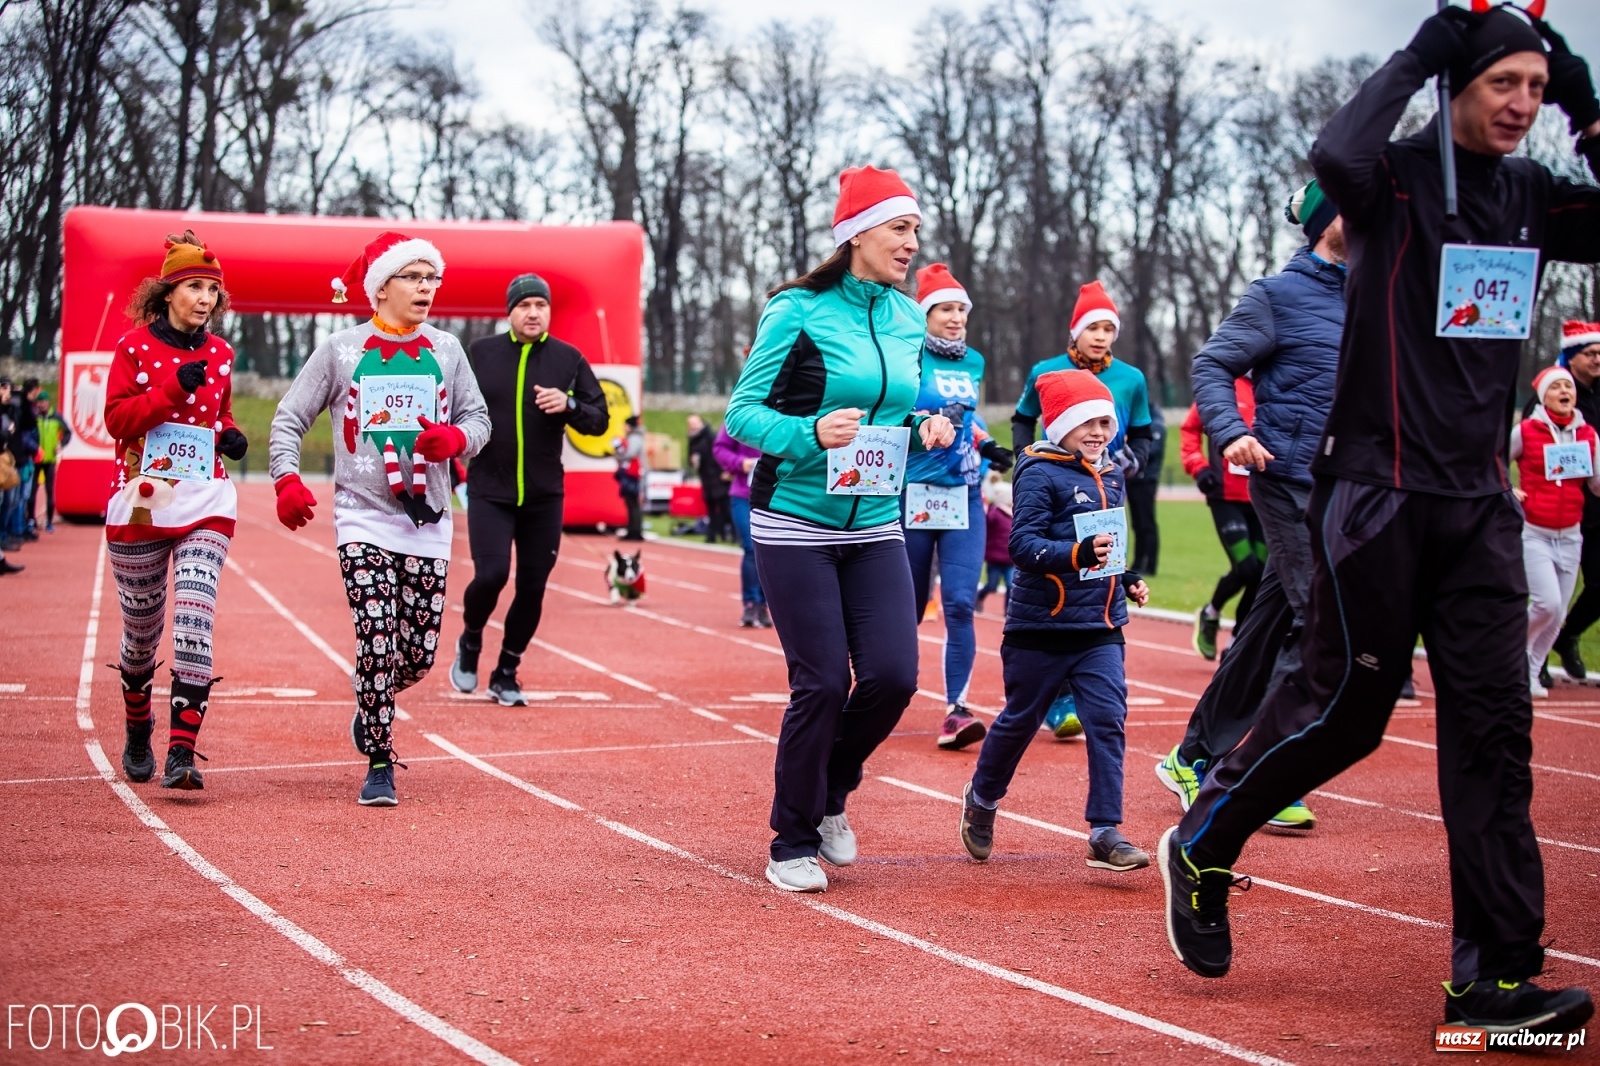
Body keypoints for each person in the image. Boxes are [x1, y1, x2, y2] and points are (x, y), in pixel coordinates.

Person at [1160, 7, 1600, 1036]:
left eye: (1534, 90)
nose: (1521, 106)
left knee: (1494, 735)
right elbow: (1334, 150)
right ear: (1459, 85)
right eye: (1506, 85)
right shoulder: (1392, 182)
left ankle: (1492, 983)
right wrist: (1422, 52)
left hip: (1479, 507)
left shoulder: (1532, 194)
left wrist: (1579, 88)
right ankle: (1206, 841)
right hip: (1373, 499)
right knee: (1342, 715)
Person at [724, 165, 954, 893]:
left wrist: (924, 427)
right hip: (795, 521)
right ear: (857, 233)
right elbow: (743, 415)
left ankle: (830, 793)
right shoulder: (796, 310)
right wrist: (810, 433)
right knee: (822, 683)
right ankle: (791, 840)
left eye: (915, 228)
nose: (911, 241)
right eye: (899, 227)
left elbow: (891, 415)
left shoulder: (908, 318)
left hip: (877, 519)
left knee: (893, 676)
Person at [270, 231, 489, 807]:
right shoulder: (340, 350)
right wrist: (286, 478)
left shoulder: (446, 350)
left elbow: (479, 418)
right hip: (361, 516)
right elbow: (290, 417)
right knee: (376, 635)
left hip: (428, 518)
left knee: (415, 655)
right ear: (380, 286)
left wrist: (458, 437)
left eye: (431, 278)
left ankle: (371, 696)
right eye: (413, 277)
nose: (426, 288)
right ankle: (379, 760)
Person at [1155, 178, 1347, 835]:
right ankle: (1257, 768)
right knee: (1315, 618)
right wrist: (1231, 432)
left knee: (1272, 623)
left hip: (1347, 487)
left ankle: (1195, 755)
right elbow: (1211, 365)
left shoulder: (1384, 298)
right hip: (1285, 475)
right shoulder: (1276, 296)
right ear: (1327, 221)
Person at [958, 369, 1151, 871]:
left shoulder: (1111, 473)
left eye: (1105, 422)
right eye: (1087, 421)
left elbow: (1107, 541)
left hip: (1101, 627)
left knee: (1107, 721)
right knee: (1020, 722)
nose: (1098, 432)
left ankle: (1106, 831)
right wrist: (1077, 553)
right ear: (1059, 425)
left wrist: (1126, 576)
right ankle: (982, 799)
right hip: (1041, 626)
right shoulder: (1038, 471)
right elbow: (1022, 546)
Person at [102, 231, 249, 790]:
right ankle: (138, 727)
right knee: (142, 632)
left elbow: (221, 415)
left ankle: (182, 753)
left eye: (212, 288)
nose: (206, 298)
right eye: (194, 287)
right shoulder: (134, 348)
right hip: (143, 499)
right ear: (167, 294)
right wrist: (167, 390)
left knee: (194, 617)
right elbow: (116, 422)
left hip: (206, 499)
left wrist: (230, 435)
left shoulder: (221, 354)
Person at [450, 272, 609, 706]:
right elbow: (449, 409)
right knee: (492, 575)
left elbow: (599, 418)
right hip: (489, 489)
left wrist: (570, 404)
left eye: (541, 305)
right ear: (510, 312)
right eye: (524, 305)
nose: (534, 312)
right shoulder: (481, 353)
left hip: (543, 496)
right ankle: (471, 637)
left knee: (533, 586)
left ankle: (506, 671)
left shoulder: (568, 358)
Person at [1015, 283, 1151, 743]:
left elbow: (1147, 432)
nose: (1101, 335)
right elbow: (1022, 419)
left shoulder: (1131, 378)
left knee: (1099, 569)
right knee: (1062, 568)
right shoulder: (1046, 372)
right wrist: (1026, 460)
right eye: (1093, 326)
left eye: (1109, 327)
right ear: (1076, 331)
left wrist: (1136, 461)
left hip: (1108, 479)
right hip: (1056, 480)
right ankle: (1056, 693)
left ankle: (1079, 686)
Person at [902, 263, 1013, 751]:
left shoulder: (974, 362)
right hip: (911, 493)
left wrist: (989, 446)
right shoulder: (906, 355)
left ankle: (956, 709)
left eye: (961, 310)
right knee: (903, 608)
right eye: (945, 308)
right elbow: (891, 409)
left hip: (963, 494)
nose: (955, 318)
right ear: (926, 312)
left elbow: (969, 418)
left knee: (961, 604)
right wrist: (927, 419)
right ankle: (874, 693)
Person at [1512, 366, 1599, 698]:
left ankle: (1530, 672)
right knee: (1546, 604)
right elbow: (1494, 464)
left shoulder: (1588, 435)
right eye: (1558, 387)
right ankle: (1510, 653)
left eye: (1569, 387)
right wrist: (1509, 489)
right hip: (1534, 532)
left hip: (1571, 534)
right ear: (1544, 395)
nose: (1566, 391)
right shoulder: (1527, 430)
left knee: (1558, 612)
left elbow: (1596, 484)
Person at [1181, 381, 1267, 660]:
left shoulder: (1280, 381)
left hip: (1264, 497)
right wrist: (1198, 465)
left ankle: (1237, 641)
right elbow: (1190, 429)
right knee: (1247, 567)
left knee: (1263, 572)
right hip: (1225, 496)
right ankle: (1211, 612)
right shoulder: (1224, 385)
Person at [1547, 320, 1600, 679]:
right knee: (1553, 590)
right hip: (1559, 503)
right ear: (1571, 356)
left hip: (1597, 500)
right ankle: (1533, 660)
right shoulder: (1558, 391)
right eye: (1590, 353)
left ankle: (1566, 637)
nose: (1598, 359)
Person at [713, 423, 769, 627]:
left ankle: (764, 605)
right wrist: (740, 463)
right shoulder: (742, 414)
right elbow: (720, 448)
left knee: (769, 551)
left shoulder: (787, 410)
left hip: (773, 495)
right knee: (750, 548)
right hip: (743, 495)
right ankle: (751, 603)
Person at [1126, 406, 1164, 575]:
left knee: (1147, 523)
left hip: (1146, 480)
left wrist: (1129, 444)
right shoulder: (1146, 422)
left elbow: (1151, 450)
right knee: (1138, 524)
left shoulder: (1155, 424)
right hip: (1134, 479)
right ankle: (1138, 562)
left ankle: (1151, 565)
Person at [686, 413, 732, 543]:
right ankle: (713, 535)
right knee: (711, 508)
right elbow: (690, 457)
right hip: (706, 477)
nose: (693, 426)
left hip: (718, 476)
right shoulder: (692, 439)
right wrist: (692, 461)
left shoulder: (711, 436)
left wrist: (725, 470)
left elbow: (720, 453)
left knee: (725, 508)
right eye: (691, 424)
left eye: (695, 423)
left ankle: (731, 535)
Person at [31, 390, 70, 533]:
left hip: (50, 459)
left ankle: (48, 521)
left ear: (48, 402)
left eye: (44, 402)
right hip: (36, 459)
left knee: (49, 490)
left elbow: (67, 432)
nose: (41, 405)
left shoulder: (56, 417)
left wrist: (60, 444)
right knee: (32, 491)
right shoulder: (34, 417)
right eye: (39, 402)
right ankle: (31, 520)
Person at [976, 476, 1013, 612]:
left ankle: (1008, 611)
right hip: (995, 558)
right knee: (992, 585)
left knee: (1011, 585)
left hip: (1010, 559)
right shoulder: (994, 513)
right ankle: (979, 597)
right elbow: (986, 521)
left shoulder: (1014, 515)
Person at [614, 415, 645, 541]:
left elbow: (630, 453)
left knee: (633, 503)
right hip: (632, 474)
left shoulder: (634, 438)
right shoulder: (634, 437)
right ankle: (632, 530)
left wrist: (617, 455)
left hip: (633, 475)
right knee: (630, 502)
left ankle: (635, 531)